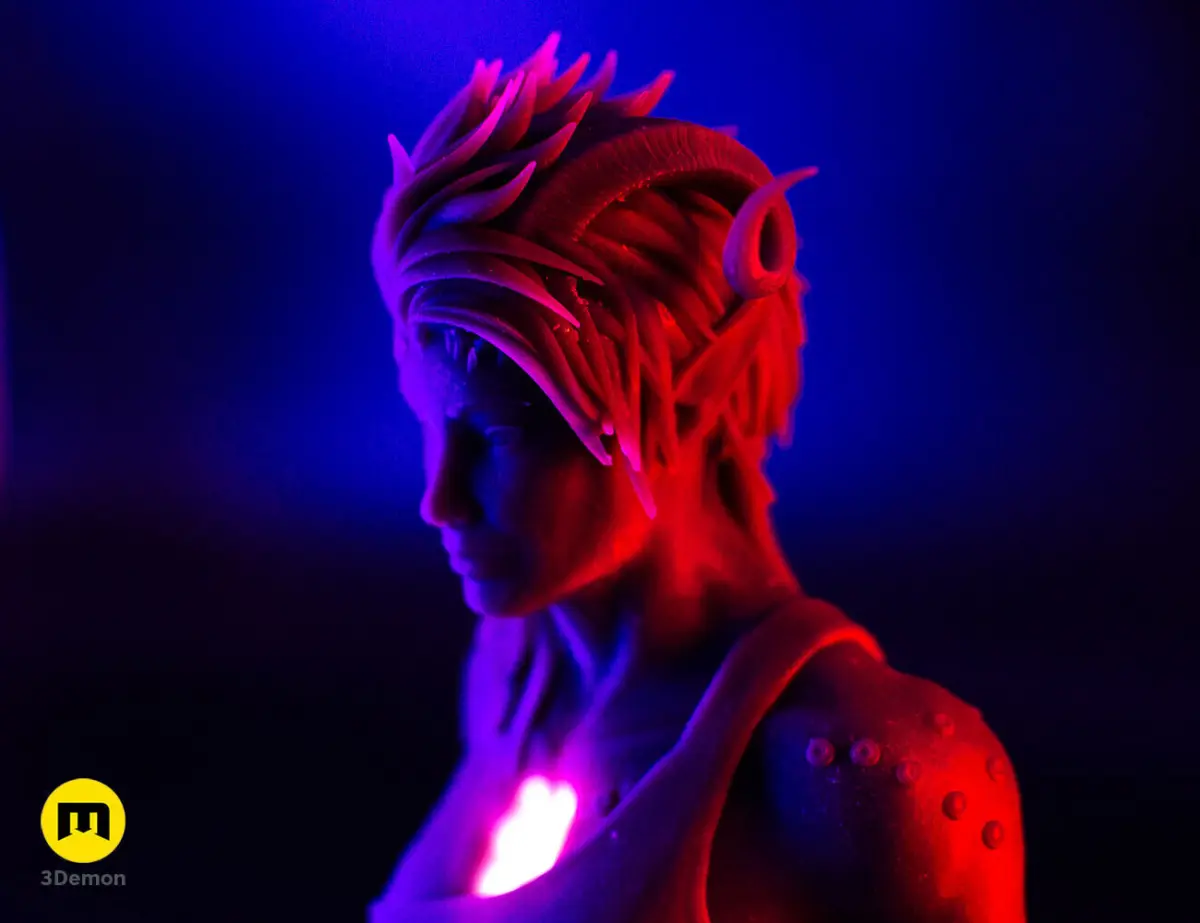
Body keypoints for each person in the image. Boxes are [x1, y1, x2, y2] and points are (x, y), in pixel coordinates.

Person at [367, 34, 1026, 923]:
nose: (439, 499)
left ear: (684, 403)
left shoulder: (859, 763)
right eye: (429, 424)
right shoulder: (515, 683)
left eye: (499, 433)